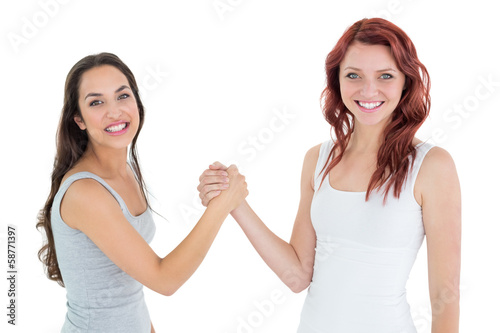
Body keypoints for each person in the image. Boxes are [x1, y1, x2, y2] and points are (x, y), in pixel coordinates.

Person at [198, 18, 461, 332]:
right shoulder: (317, 160)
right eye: (353, 75)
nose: (368, 90)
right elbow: (297, 276)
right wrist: (233, 202)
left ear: (406, 81)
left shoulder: (432, 166)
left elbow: (445, 297)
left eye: (385, 76)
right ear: (337, 80)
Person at [36, 52, 248, 333]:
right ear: (79, 120)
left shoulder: (126, 170)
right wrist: (221, 206)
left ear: (137, 101)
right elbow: (164, 279)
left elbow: (129, 289)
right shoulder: (85, 192)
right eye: (96, 102)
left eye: (122, 96)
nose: (114, 111)